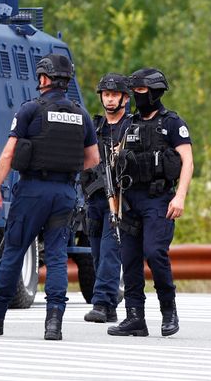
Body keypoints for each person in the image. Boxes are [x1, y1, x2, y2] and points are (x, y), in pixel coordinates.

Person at [0, 53, 100, 340]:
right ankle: (54, 323)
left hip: (33, 192)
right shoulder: (81, 114)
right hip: (65, 192)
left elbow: (9, 153)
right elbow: (93, 159)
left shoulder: (30, 109)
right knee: (55, 257)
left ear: (43, 78)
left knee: (13, 251)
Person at [108, 67, 193, 338]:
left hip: (159, 200)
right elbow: (117, 163)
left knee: (155, 253)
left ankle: (168, 311)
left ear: (155, 93)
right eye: (134, 91)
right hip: (131, 201)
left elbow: (188, 161)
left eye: (141, 91)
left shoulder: (171, 123)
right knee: (129, 259)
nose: (136, 96)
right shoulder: (130, 123)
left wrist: (180, 196)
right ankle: (135, 318)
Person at [82, 73, 132, 324]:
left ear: (125, 97)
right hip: (94, 198)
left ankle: (101, 303)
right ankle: (110, 305)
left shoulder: (131, 127)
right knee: (97, 253)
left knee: (111, 251)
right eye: (106, 94)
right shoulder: (95, 126)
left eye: (114, 95)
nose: (110, 99)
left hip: (120, 199)